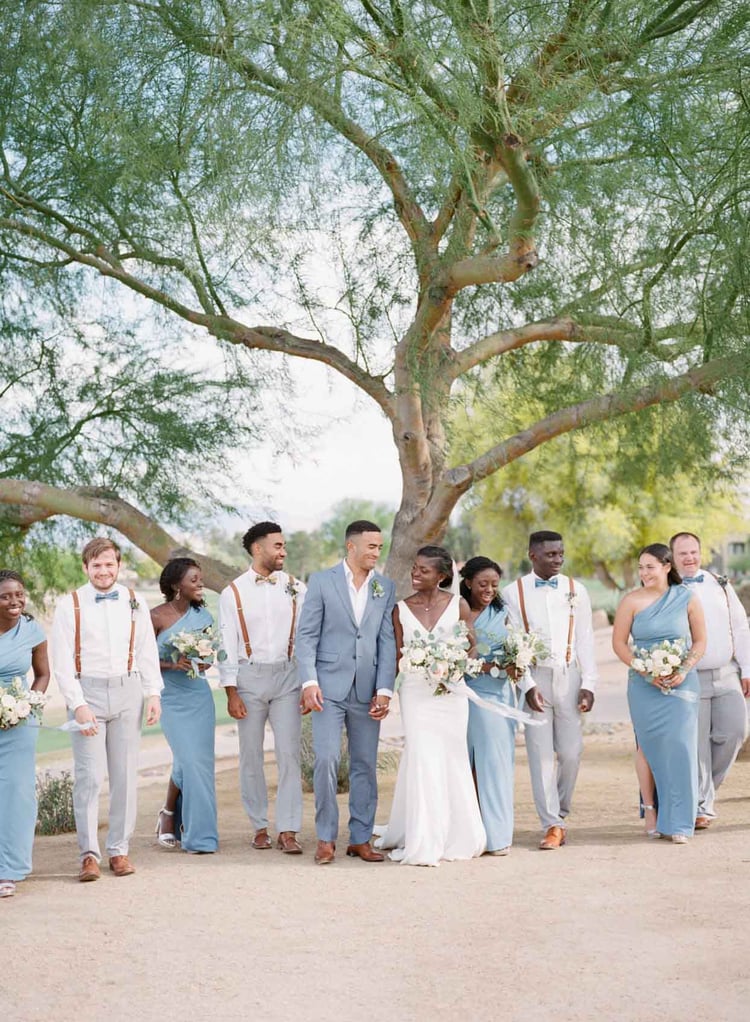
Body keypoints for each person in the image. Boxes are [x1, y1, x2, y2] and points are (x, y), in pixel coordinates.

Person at [51, 538, 162, 881]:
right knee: (88, 776)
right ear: (85, 568)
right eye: (96, 565)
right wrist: (78, 704)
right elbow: (62, 661)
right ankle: (88, 854)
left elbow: (146, 650)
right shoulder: (69, 605)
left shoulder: (134, 600)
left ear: (118, 565)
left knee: (126, 774)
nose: (103, 571)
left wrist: (153, 693)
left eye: (109, 564)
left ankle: (119, 850)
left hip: (128, 690)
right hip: (88, 691)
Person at [375, 546, 486, 866]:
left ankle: (457, 833)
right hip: (416, 695)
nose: (415, 573)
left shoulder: (458, 605)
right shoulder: (400, 610)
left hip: (451, 694)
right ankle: (424, 838)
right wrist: (384, 693)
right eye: (414, 567)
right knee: (423, 757)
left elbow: (472, 646)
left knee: (452, 757)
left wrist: (456, 666)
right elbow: (395, 656)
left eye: (424, 570)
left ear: (442, 576)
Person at [296, 520, 396, 865]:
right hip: (327, 687)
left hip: (367, 689)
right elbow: (306, 636)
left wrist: (385, 688)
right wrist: (309, 682)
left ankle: (360, 838)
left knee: (365, 765)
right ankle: (325, 838)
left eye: (380, 547)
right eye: (371, 546)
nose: (376, 553)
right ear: (351, 546)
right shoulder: (322, 582)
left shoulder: (385, 586)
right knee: (325, 760)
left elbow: (387, 641)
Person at [503, 530, 597, 849]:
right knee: (540, 756)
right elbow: (513, 645)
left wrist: (589, 684)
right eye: (550, 555)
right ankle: (552, 824)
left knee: (571, 753)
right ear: (533, 555)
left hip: (569, 676)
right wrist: (527, 685)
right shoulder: (512, 593)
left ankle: (560, 812)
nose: (558, 559)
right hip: (535, 676)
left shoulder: (576, 590)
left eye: (560, 553)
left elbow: (585, 638)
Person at [218, 522, 307, 854]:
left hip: (288, 677)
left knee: (288, 754)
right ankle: (258, 825)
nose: (283, 552)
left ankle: (288, 829)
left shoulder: (298, 587)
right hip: (249, 678)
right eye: (277, 546)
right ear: (258, 549)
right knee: (250, 756)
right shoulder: (233, 593)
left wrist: (308, 682)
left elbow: (306, 637)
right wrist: (230, 691)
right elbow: (226, 642)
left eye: (284, 546)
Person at [612, 543, 706, 843]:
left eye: (649, 567)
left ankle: (680, 822)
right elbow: (619, 644)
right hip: (643, 686)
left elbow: (700, 641)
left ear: (667, 566)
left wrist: (684, 669)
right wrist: (644, 671)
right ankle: (651, 812)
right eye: (640, 568)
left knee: (681, 747)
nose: (644, 573)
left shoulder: (688, 598)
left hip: (682, 684)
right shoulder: (631, 601)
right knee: (647, 748)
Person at [670, 531, 750, 828]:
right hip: (690, 677)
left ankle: (703, 794)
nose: (689, 558)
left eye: (694, 552)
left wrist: (747, 669)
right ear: (673, 558)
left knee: (734, 733)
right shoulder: (669, 589)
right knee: (698, 743)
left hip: (727, 671)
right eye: (683, 554)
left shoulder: (720, 583)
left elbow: (740, 627)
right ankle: (702, 805)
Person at [151, 558, 218, 853]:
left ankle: (198, 835)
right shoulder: (154, 617)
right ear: (177, 585)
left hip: (199, 697)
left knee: (196, 764)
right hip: (170, 697)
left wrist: (202, 660)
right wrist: (171, 663)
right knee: (188, 760)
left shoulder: (203, 617)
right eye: (194, 580)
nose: (200, 584)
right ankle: (169, 814)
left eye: (200, 579)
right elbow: (141, 659)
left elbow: (209, 660)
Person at [461, 556, 517, 856]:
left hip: (502, 695)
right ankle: (473, 832)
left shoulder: (504, 611)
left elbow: (517, 646)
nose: (489, 590)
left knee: (497, 764)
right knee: (470, 765)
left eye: (495, 585)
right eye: (483, 584)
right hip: (470, 694)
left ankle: (497, 834)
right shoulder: (458, 609)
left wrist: (517, 664)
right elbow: (458, 656)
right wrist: (488, 666)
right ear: (468, 582)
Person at [0, 570, 50, 899]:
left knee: (16, 794)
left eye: (19, 594)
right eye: (6, 596)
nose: (15, 601)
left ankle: (10, 869)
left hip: (18, 720)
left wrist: (29, 703)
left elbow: (43, 674)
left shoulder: (32, 630)